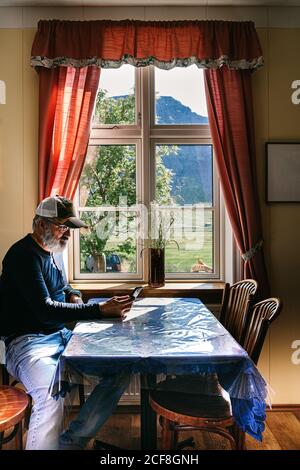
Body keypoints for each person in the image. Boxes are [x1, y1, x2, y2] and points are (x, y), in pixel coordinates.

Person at [0, 195, 133, 450]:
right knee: (50, 396)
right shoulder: (22, 255)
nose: (68, 235)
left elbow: (64, 287)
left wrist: (75, 295)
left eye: (70, 229)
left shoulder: (50, 253)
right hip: (27, 345)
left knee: (121, 368)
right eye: (62, 227)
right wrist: (101, 310)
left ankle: (71, 441)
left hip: (61, 338)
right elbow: (45, 310)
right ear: (40, 224)